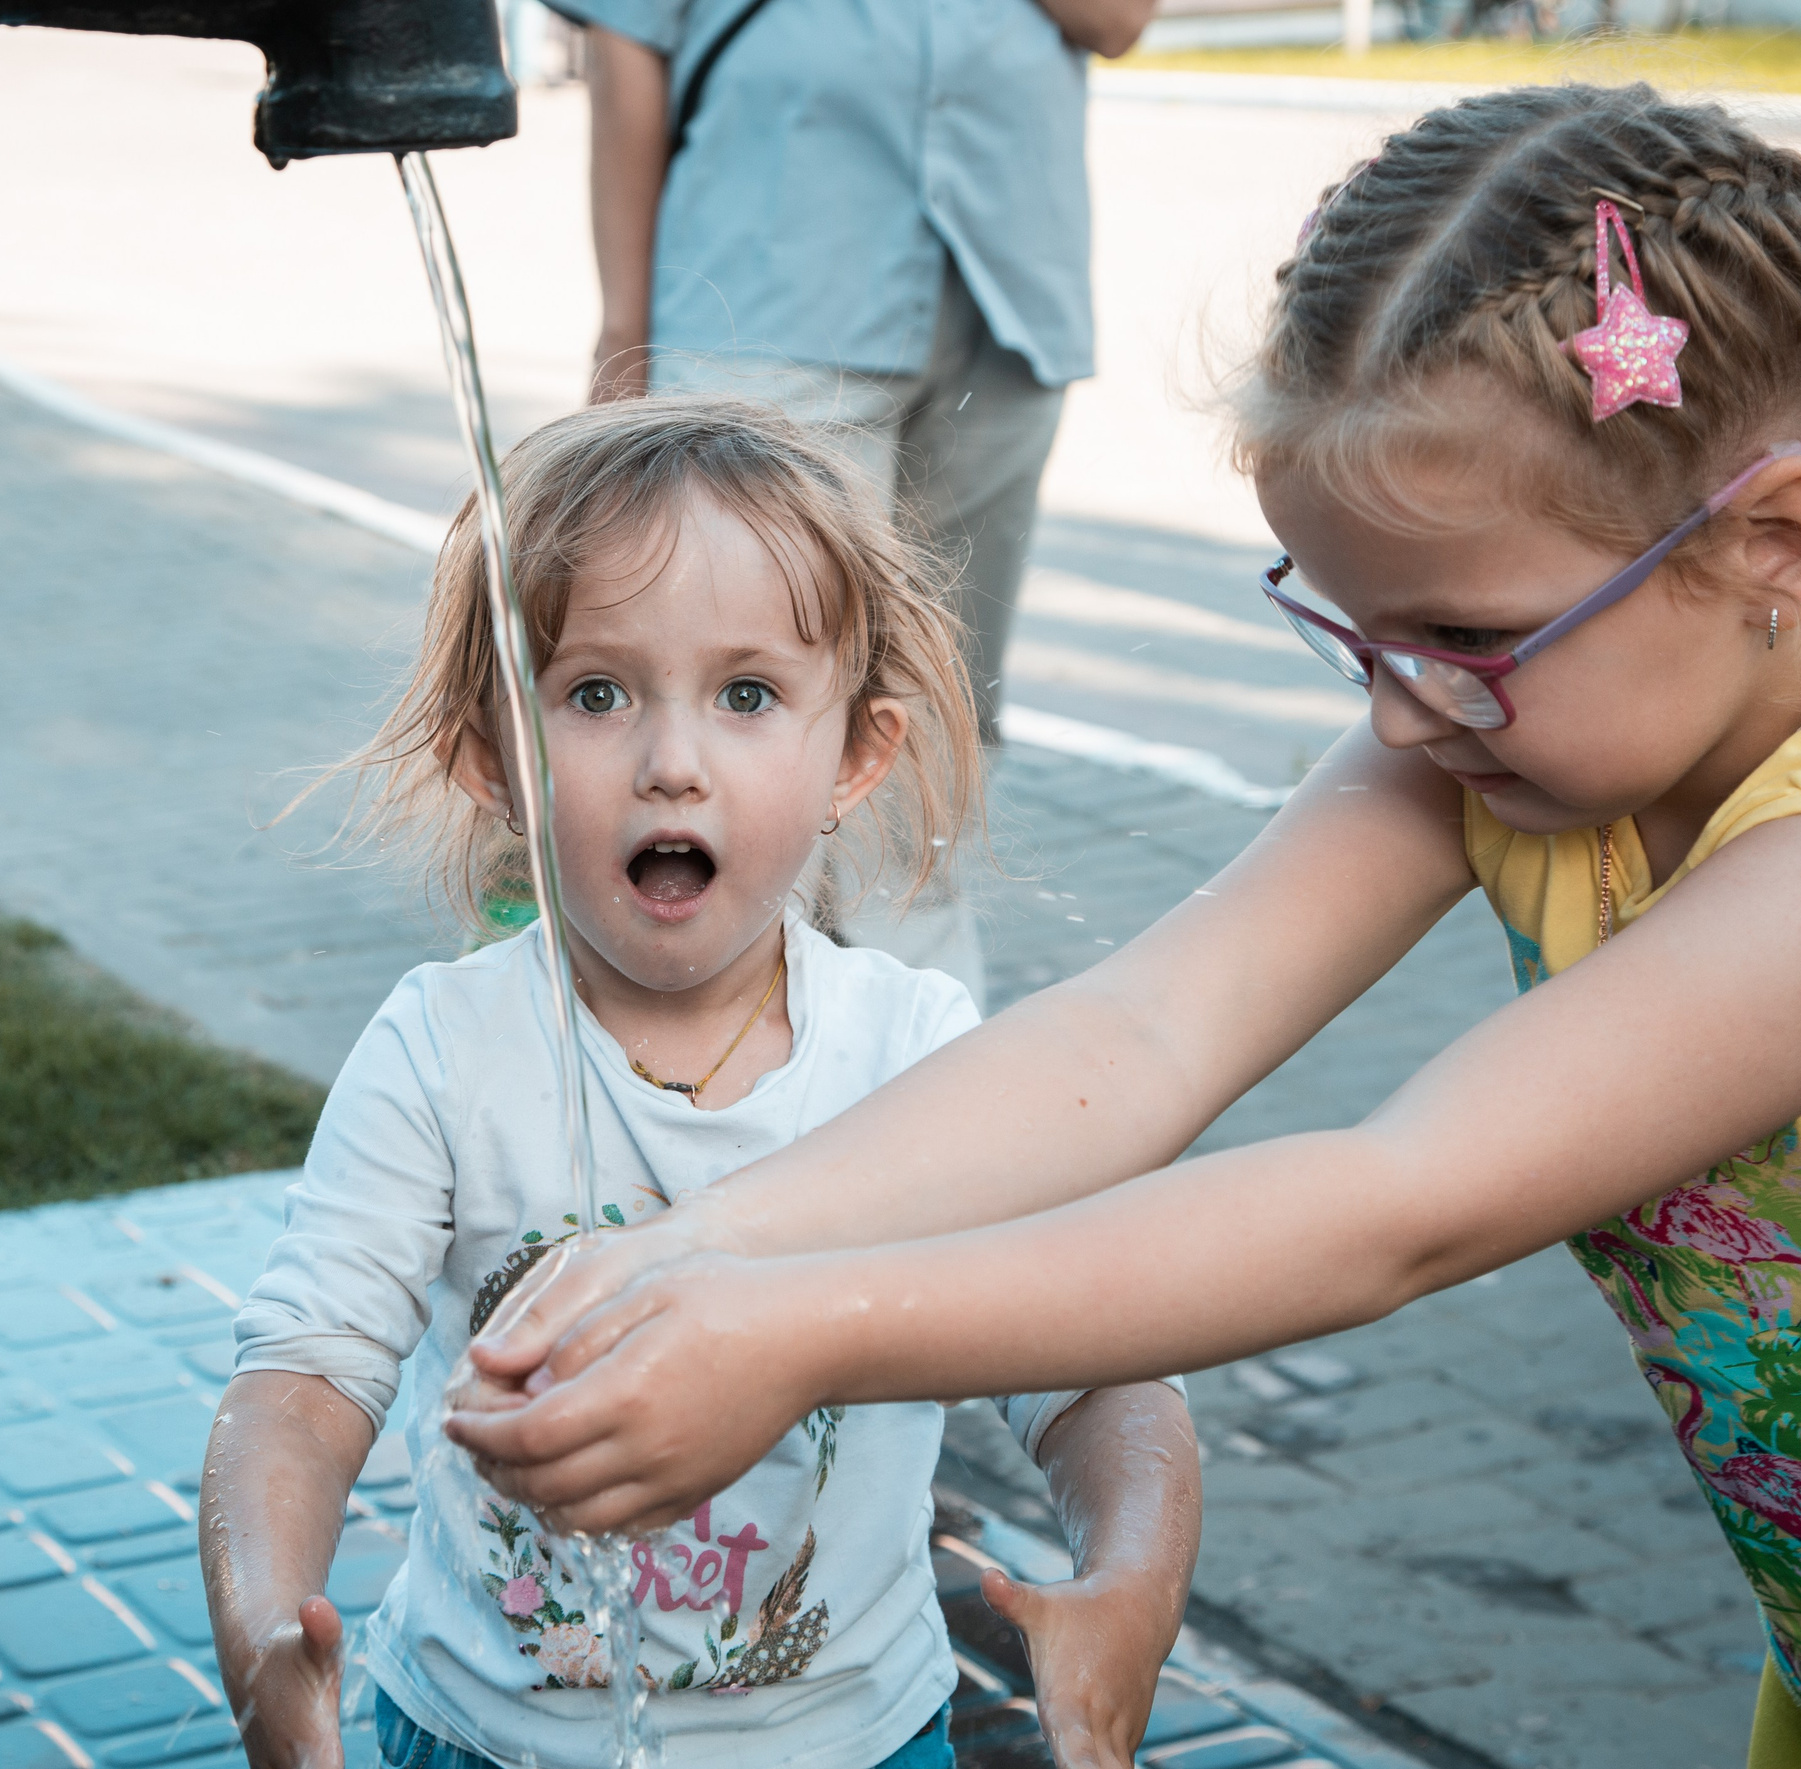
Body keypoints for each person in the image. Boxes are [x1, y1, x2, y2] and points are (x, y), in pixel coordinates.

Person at [451, 86, 1801, 1769]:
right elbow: (1143, 1031)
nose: (1408, 713)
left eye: (1466, 635)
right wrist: (702, 1245)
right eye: (1353, 634)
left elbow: (1398, 1204)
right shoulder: (1498, 734)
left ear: (1776, 543)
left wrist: (803, 1327)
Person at [200, 397, 1203, 1769]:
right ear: (493, 754)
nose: (674, 761)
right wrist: (262, 1625)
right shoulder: (446, 1050)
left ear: (858, 753)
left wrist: (1130, 1583)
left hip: (853, 1739)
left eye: (746, 695)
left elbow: (1097, 1366)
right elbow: (302, 1380)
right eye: (597, 693)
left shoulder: (912, 1052)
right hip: (488, 1737)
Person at [549, 0, 1155, 994]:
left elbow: (1116, 19)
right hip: (769, 294)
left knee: (937, 710)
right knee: (737, 691)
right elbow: (627, 49)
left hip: (1004, 289)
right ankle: (710, 1046)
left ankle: (913, 1041)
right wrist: (624, 333)